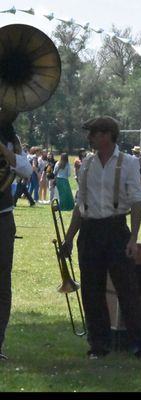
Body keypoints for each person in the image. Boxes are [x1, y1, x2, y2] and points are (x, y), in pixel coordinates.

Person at [62, 116, 141, 359]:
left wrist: (132, 238)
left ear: (107, 135)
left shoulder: (128, 162)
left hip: (115, 229)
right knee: (92, 290)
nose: (89, 138)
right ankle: (99, 345)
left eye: (93, 133)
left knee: (127, 289)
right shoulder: (87, 164)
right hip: (90, 231)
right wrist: (70, 238)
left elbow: (135, 201)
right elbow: (81, 204)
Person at [0, 109, 32, 361]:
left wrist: (4, 149)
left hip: (3, 217)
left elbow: (26, 171)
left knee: (2, 283)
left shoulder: (13, 141)